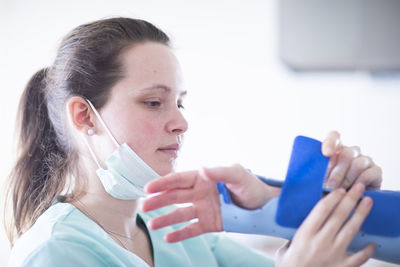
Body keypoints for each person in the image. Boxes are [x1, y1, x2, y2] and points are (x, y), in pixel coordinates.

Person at [3, 17, 381, 267]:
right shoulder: (54, 253)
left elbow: (328, 255)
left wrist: (330, 201)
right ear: (85, 116)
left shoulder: (170, 228)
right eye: (154, 102)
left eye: (180, 102)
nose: (181, 122)